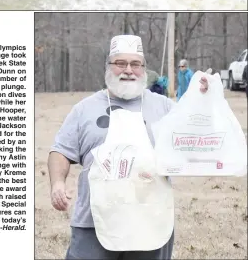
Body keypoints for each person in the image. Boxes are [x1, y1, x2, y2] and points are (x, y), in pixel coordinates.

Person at [48, 35, 210, 260]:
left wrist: (202, 98)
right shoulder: (83, 109)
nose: (128, 70)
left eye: (135, 64)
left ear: (144, 69)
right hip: (93, 224)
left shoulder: (164, 107)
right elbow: (61, 151)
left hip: (151, 223)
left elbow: (197, 133)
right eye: (120, 63)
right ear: (108, 67)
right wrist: (57, 183)